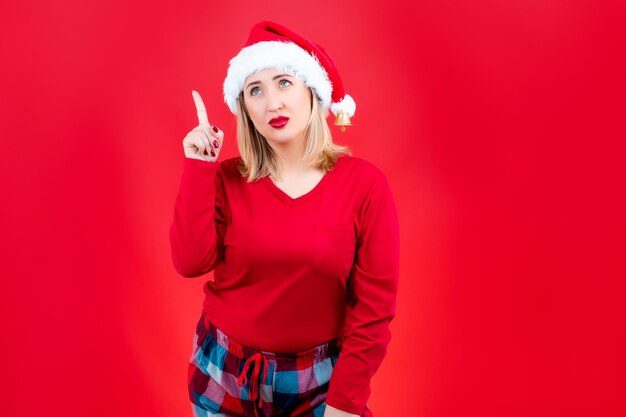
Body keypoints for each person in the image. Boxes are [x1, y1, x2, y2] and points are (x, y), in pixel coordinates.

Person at [169, 20, 400, 417]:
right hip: (224, 372)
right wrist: (198, 167)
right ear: (246, 108)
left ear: (313, 93)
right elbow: (189, 262)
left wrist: (344, 403)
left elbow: (374, 310)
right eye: (255, 90)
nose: (272, 102)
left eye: (284, 83)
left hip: (321, 382)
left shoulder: (365, 186)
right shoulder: (225, 180)